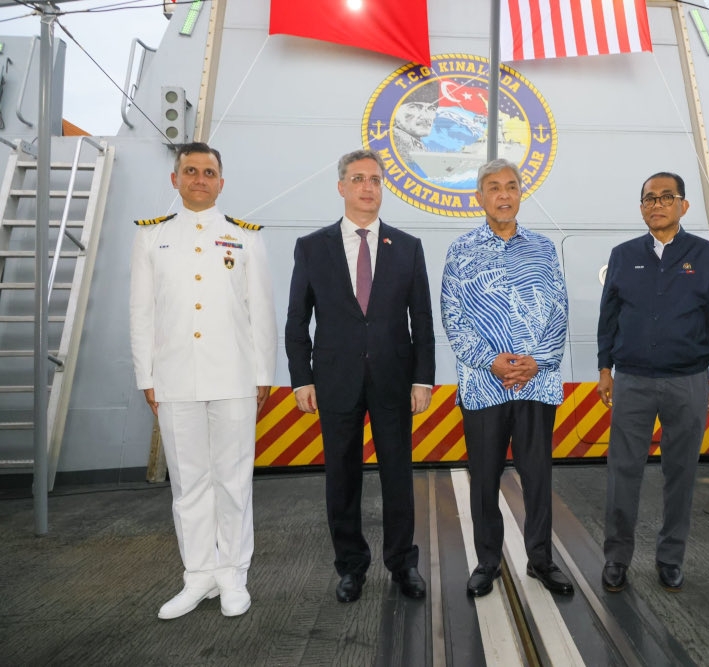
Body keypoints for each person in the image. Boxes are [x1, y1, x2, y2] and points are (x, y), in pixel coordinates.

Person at [129, 142, 277, 619]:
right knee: (188, 483)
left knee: (233, 482)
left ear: (221, 182)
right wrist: (146, 375)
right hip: (174, 378)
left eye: (208, 172)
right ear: (175, 180)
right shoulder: (152, 238)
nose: (199, 179)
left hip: (233, 376)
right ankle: (198, 576)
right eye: (190, 171)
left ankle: (233, 574)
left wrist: (262, 375)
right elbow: (141, 312)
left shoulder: (245, 237)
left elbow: (261, 313)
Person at [285, 149, 435, 604]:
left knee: (398, 477)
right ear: (341, 187)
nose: (368, 187)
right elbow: (297, 320)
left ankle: (403, 564)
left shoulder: (407, 247)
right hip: (335, 381)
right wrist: (301, 377)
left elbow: (422, 321)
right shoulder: (313, 247)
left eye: (375, 179)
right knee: (342, 479)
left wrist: (422, 378)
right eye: (358, 179)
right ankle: (351, 567)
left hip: (393, 380)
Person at [440, 158, 572, 598]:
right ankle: (487, 562)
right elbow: (453, 317)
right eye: (493, 187)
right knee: (484, 478)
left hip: (537, 382)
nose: (503, 194)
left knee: (537, 477)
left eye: (511, 186)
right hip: (483, 386)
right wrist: (492, 361)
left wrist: (537, 361)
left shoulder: (544, 249)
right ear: (479, 197)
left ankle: (541, 560)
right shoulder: (461, 252)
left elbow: (559, 310)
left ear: (520, 193)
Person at [596, 172, 709, 593]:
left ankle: (670, 558)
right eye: (649, 198)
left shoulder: (706, 255)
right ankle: (617, 558)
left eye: (666, 197)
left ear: (683, 206)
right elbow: (609, 316)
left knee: (681, 473)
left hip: (687, 381)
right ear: (641, 208)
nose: (657, 204)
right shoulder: (623, 255)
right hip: (633, 381)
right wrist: (605, 368)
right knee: (623, 473)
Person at [393, 85, 438, 165]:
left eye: (431, 109)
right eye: (413, 108)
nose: (426, 117)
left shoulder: (418, 144)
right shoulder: (396, 137)